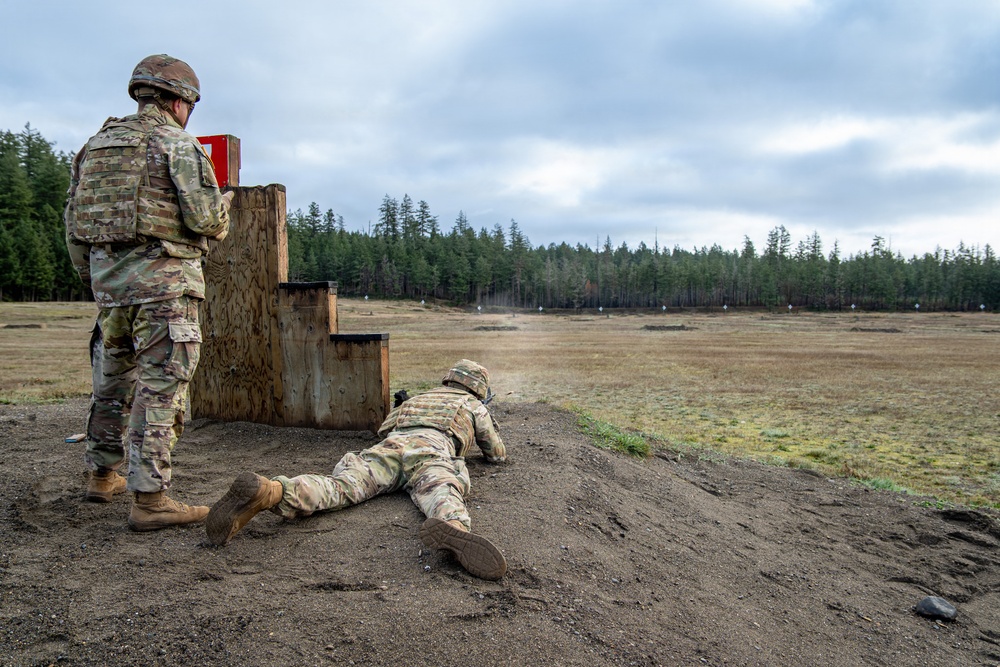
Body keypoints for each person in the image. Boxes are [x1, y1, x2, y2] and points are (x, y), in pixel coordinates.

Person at [64, 54, 233, 530]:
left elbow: (73, 225)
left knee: (112, 382)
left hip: (110, 289)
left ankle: (102, 475)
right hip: (164, 288)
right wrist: (224, 208)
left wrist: (96, 278)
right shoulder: (178, 145)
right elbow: (204, 220)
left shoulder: (93, 148)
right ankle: (151, 500)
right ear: (180, 101)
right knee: (161, 389)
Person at [206, 360, 509, 580]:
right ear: (477, 389)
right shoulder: (472, 405)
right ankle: (453, 528)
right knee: (442, 489)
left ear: (448, 380)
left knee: (340, 487)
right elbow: (496, 454)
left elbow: (383, 430)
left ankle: (272, 491)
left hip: (388, 449)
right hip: (431, 450)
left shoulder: (415, 400)